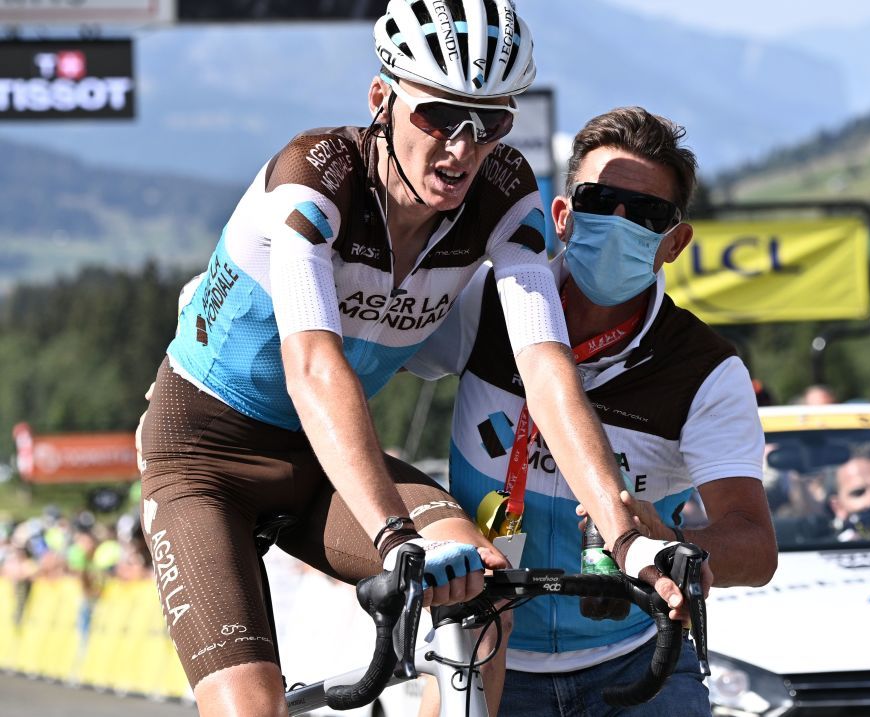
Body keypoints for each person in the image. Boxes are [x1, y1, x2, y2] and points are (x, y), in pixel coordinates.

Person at [137, 5, 686, 716]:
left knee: (481, 594)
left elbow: (548, 372)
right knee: (251, 703)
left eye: (489, 122)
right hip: (205, 455)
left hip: (328, 459)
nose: (462, 149)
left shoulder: (503, 193)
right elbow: (312, 366)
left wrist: (625, 530)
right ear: (381, 99)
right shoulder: (315, 179)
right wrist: (396, 537)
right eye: (439, 117)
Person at [406, 107, 777, 716]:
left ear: (673, 244)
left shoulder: (706, 370)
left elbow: (755, 547)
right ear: (563, 216)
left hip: (637, 661)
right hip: (481, 651)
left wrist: (674, 543)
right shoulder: (485, 306)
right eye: (600, 200)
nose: (619, 221)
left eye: (648, 215)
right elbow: (354, 355)